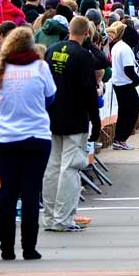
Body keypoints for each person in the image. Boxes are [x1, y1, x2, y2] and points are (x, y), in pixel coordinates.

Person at [0, 26, 56, 260]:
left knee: (8, 192)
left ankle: (6, 248)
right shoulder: (40, 66)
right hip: (36, 135)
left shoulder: (1, 67)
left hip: (7, 137)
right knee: (30, 192)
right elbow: (51, 96)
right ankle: (29, 247)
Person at [43, 16, 99, 232]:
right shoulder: (83, 56)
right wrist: (95, 119)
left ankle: (49, 217)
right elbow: (88, 90)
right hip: (75, 117)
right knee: (70, 168)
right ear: (87, 33)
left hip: (52, 115)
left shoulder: (51, 50)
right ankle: (63, 218)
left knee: (52, 168)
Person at [108, 21, 139, 150]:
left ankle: (118, 138)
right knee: (132, 111)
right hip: (126, 84)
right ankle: (122, 138)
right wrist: (136, 80)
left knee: (123, 112)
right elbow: (128, 69)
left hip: (118, 83)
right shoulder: (126, 49)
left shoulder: (117, 46)